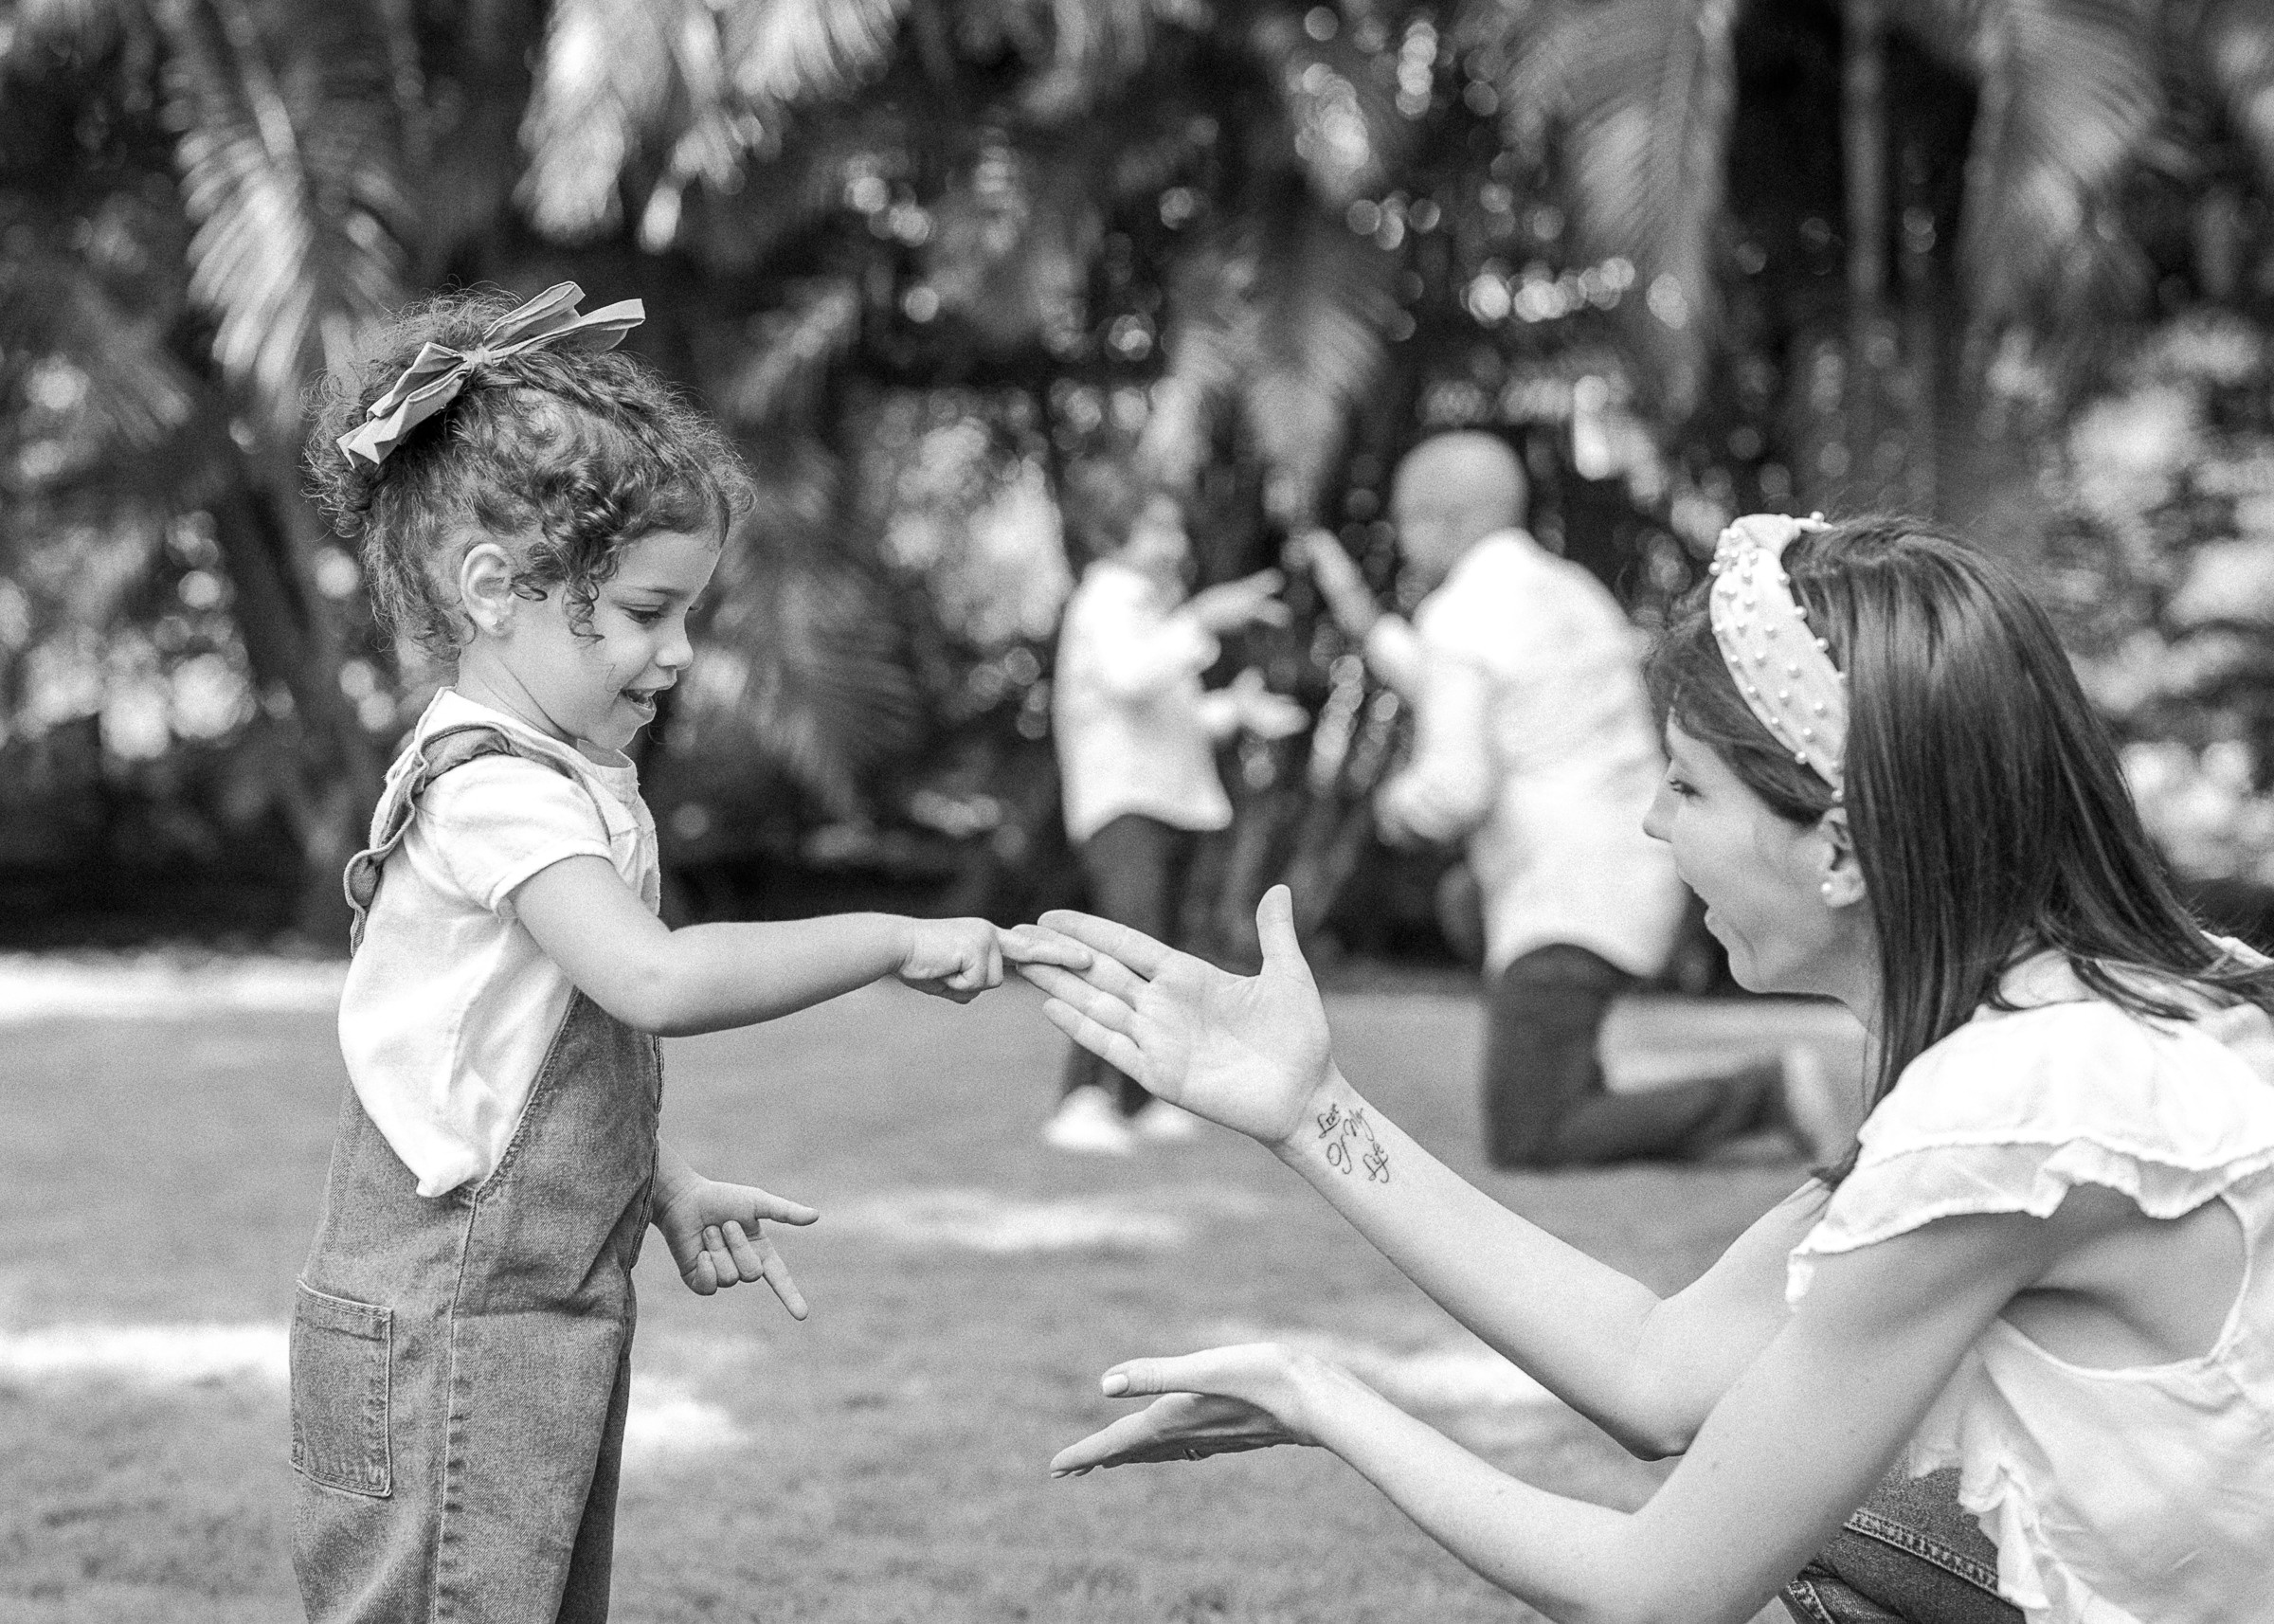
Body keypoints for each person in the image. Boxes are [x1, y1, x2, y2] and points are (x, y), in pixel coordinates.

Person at [1020, 514, 2274, 1624]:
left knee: (1803, 1504)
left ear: (1837, 847)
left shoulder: (2018, 1111)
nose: (1653, 823)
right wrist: (1308, 1108)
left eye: (1687, 785)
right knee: (1806, 1476)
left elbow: (1656, 1590)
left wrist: (1322, 1396)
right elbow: (1662, 1369)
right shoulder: (2092, 1014)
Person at [294, 284, 1079, 1624]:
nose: (680, 651)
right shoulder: (499, 789)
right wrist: (887, 936)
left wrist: (656, 1177)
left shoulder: (557, 772)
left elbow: (507, 1048)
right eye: (650, 610)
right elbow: (650, 976)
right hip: (450, 1318)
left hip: (525, 1304)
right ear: (497, 591)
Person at [1304, 433, 1838, 1167]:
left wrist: (1394, 810)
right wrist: (1364, 622)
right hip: (1632, 870)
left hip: (1558, 897)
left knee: (1533, 1139)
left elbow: (1456, 787)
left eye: (1406, 521)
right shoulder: (1569, 592)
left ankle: (1762, 1094)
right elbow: (1458, 680)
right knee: (1549, 1082)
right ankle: (1715, 1095)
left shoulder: (1462, 612)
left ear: (1442, 520)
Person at [1045, 471, 1307, 1154]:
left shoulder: (1152, 608)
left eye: (1175, 528)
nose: (1175, 543)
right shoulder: (1107, 597)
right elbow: (1131, 680)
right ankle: (1082, 1098)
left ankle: (1134, 1099)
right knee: (1123, 948)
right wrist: (1202, 619)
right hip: (1123, 804)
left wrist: (1237, 712)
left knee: (1159, 952)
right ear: (1114, 533)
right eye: (1158, 527)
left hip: (1172, 802)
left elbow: (1176, 717)